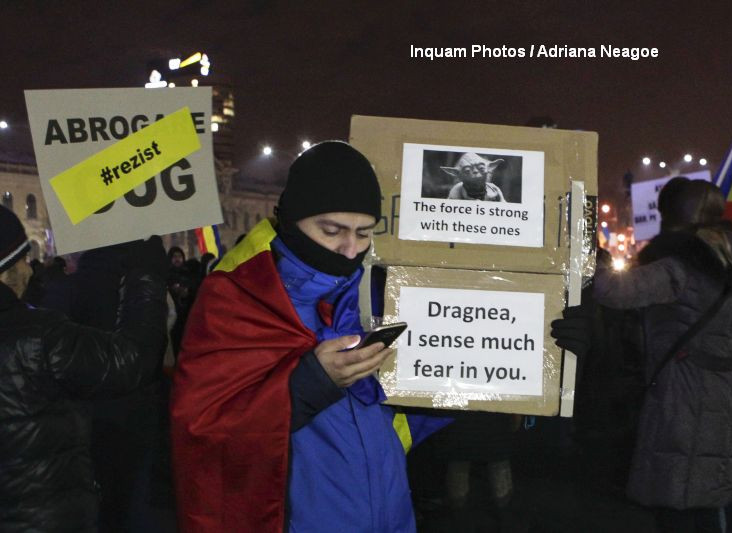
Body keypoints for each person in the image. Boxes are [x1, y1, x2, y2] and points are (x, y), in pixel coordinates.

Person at [171, 142, 449, 532]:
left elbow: (398, 423)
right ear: (291, 220)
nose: (351, 249)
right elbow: (203, 435)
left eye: (364, 233)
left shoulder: (376, 296)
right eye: (332, 230)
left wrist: (469, 378)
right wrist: (310, 385)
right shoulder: (236, 297)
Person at [593, 178, 732, 532]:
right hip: (726, 393)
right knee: (706, 497)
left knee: (679, 502)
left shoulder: (680, 266)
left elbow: (612, 291)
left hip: (682, 394)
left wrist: (585, 249)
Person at [0, 205, 168, 532]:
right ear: (5, 267)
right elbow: (132, 360)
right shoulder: (38, 336)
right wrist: (146, 273)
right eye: (22, 259)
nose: (31, 271)